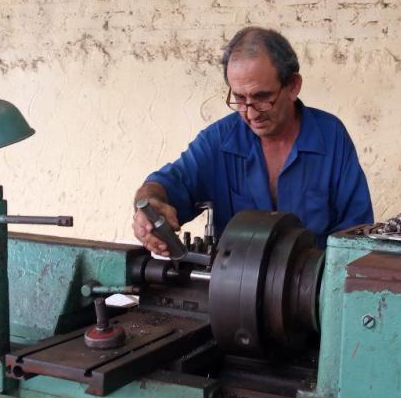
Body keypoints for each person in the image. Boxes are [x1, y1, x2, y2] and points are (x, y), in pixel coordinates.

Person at [132, 27, 373, 255]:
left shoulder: (331, 138)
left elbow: (357, 234)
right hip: (234, 291)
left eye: (262, 97)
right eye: (239, 98)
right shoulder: (218, 141)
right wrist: (149, 207)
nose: (250, 113)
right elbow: (166, 185)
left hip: (311, 291)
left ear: (293, 86)